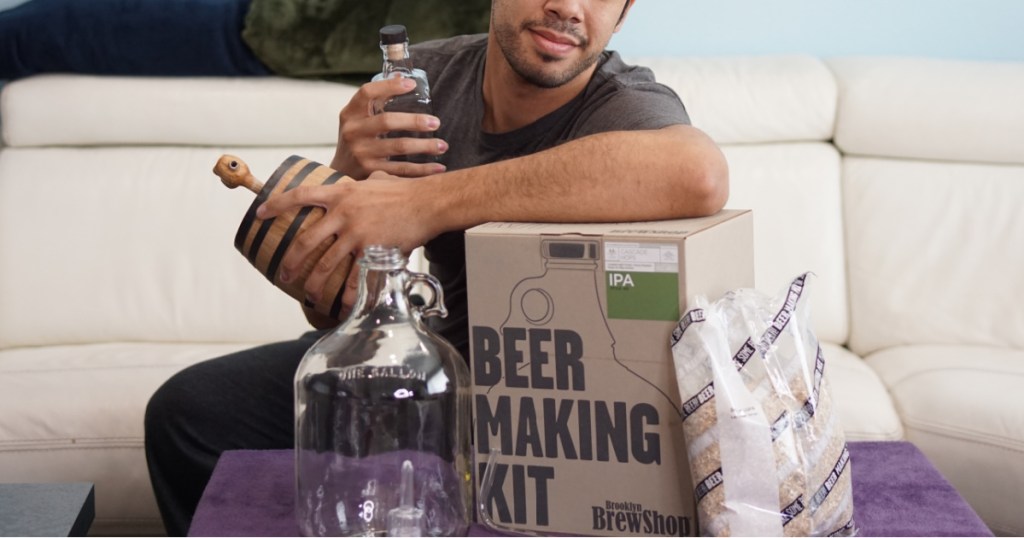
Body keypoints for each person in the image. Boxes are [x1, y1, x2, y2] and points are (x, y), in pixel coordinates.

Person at [145, 0, 728, 534]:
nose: (567, 7)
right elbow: (336, 317)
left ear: (623, 15)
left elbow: (698, 173)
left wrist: (424, 205)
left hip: (553, 405)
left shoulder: (624, 105)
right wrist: (348, 179)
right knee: (188, 414)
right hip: (432, 369)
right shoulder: (422, 85)